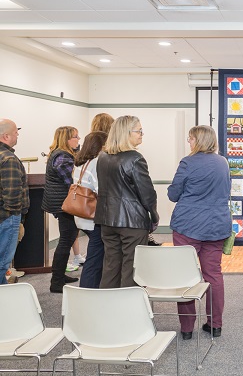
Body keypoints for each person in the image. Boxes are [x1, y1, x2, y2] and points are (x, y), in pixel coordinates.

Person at [168, 125, 231, 339]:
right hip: (217, 225)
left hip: (188, 226)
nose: (189, 142)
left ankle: (187, 329)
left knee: (185, 276)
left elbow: (173, 194)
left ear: (199, 140)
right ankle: (215, 325)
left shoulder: (188, 162)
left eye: (191, 138)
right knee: (213, 274)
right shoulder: (223, 162)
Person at [95, 115, 159, 288]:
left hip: (107, 220)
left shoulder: (103, 157)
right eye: (138, 131)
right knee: (132, 268)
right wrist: (154, 216)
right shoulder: (135, 158)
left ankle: (109, 309)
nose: (141, 134)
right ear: (126, 133)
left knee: (111, 266)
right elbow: (147, 194)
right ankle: (130, 310)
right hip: (132, 222)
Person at [42, 126, 81, 292]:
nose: (78, 140)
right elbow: (70, 182)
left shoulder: (57, 153)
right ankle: (56, 281)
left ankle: (59, 276)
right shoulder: (63, 157)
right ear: (66, 139)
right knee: (66, 239)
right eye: (75, 137)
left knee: (67, 237)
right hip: (63, 204)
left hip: (58, 202)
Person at [74, 131, 108, 288]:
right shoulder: (96, 163)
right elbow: (101, 191)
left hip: (82, 218)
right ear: (101, 146)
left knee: (95, 257)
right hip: (94, 220)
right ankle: (87, 293)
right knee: (94, 260)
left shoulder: (81, 163)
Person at [0, 119, 29, 285]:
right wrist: (18, 218)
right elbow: (12, 196)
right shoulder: (9, 159)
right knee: (2, 264)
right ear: (5, 136)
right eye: (15, 132)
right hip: (7, 218)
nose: (17, 134)